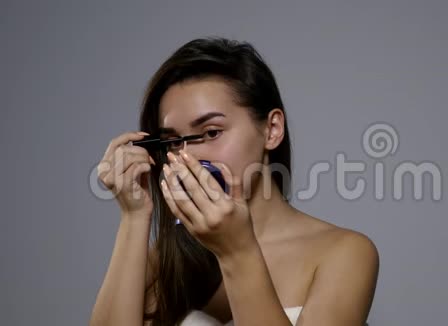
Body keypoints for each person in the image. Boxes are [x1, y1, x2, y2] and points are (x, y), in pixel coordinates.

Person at [90, 37, 379, 326]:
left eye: (212, 132)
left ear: (272, 130)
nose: (187, 155)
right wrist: (134, 216)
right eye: (173, 142)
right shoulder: (168, 260)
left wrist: (238, 253)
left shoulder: (344, 254)